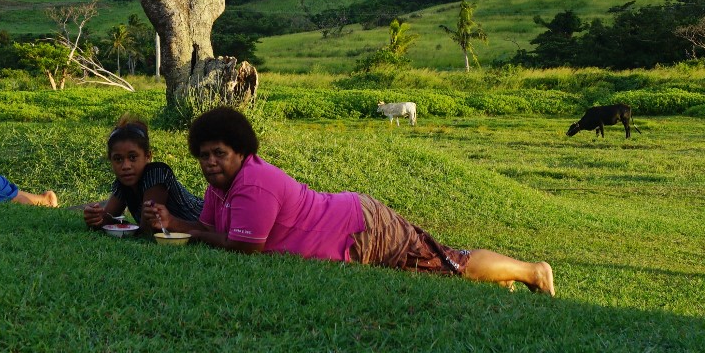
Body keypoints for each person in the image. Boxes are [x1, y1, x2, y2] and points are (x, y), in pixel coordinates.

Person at [154, 106, 554, 294]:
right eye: (204, 155)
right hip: (350, 223)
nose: (209, 163)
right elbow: (208, 229)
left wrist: (182, 228)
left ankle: (534, 271)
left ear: (240, 151)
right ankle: (507, 277)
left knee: (450, 263)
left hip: (359, 227)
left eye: (218, 154)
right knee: (436, 266)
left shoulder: (254, 183)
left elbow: (245, 246)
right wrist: (173, 223)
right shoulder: (219, 187)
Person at [79, 118, 204, 232]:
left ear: (148, 156)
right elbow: (106, 219)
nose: (126, 166)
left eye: (133, 157)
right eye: (118, 159)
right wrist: (94, 218)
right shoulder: (123, 183)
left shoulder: (157, 174)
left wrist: (109, 222)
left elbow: (147, 229)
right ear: (110, 160)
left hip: (206, 222)